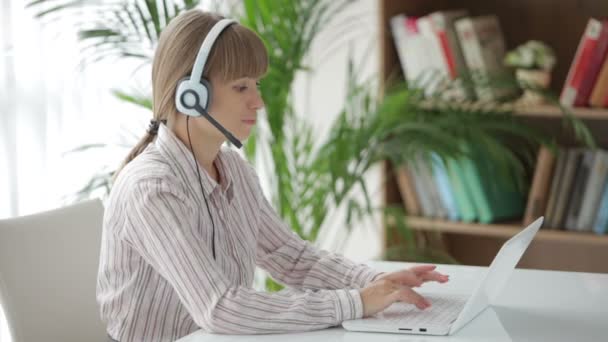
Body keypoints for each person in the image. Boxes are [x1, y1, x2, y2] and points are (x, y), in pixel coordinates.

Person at [96, 9, 449, 342]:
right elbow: (221, 308)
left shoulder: (233, 170)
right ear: (191, 95)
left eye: (257, 85)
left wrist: (373, 281)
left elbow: (290, 257)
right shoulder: (152, 188)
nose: (258, 102)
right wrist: (356, 302)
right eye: (241, 87)